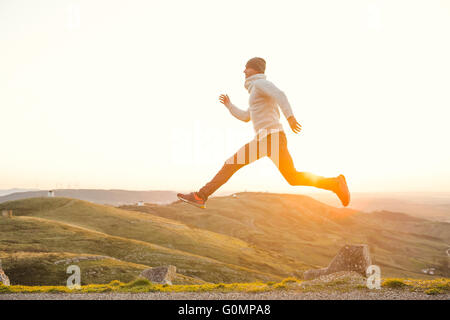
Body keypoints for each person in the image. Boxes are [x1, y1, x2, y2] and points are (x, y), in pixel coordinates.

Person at [177, 57, 350, 209]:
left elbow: (280, 94)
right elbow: (246, 117)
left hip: (271, 137)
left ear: (256, 69)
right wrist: (229, 105)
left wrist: (290, 117)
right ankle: (335, 183)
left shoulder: (260, 83)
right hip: (266, 139)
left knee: (234, 165)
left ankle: (201, 196)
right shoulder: (254, 91)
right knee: (290, 177)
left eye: (247, 67)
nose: (244, 70)